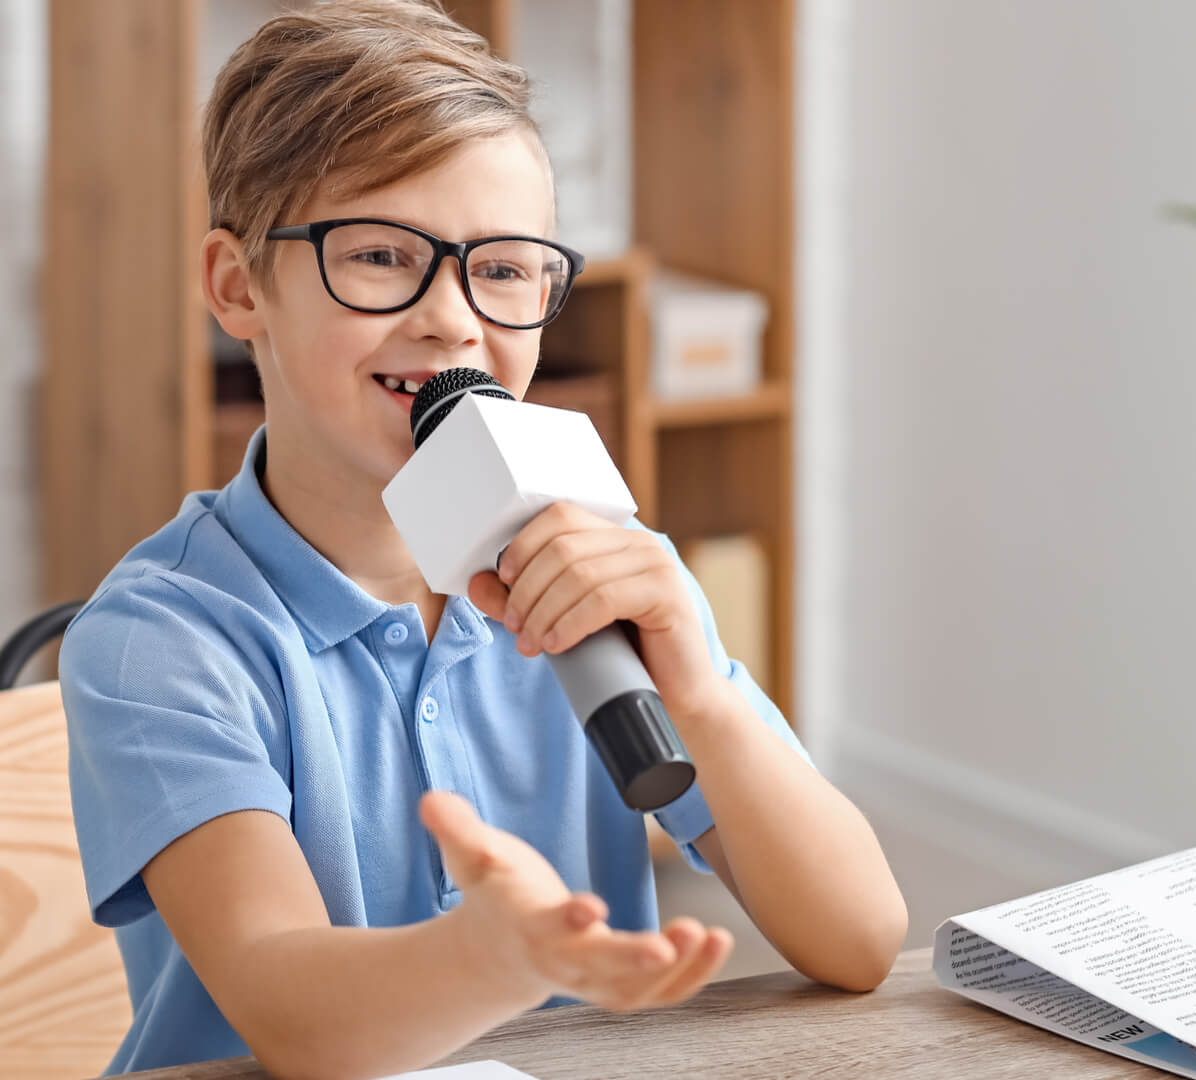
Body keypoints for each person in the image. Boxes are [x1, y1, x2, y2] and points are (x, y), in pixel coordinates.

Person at [58, 2, 907, 1075]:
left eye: (504, 270)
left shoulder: (599, 563)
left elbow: (863, 937)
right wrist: (498, 958)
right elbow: (291, 1011)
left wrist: (698, 692)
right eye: (379, 255)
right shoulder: (163, 640)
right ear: (238, 288)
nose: (453, 320)